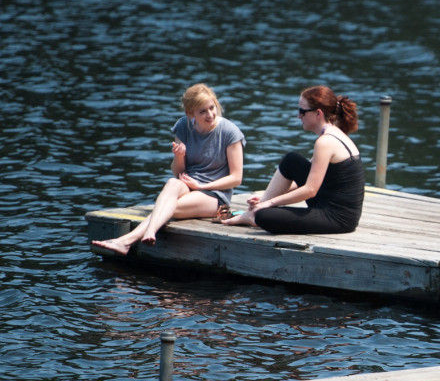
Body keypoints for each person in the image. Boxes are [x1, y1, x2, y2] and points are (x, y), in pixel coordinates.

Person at [91, 83, 245, 255]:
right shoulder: (183, 126)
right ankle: (139, 236)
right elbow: (178, 173)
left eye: (212, 108)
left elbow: (236, 178)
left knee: (169, 207)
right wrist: (179, 156)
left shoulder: (230, 131)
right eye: (202, 111)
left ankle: (128, 240)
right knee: (172, 182)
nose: (210, 114)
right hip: (187, 184)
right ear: (190, 113)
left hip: (215, 194)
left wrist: (201, 186)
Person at [221, 85, 364, 234]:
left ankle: (254, 215)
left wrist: (270, 203)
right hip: (327, 203)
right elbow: (309, 180)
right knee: (292, 160)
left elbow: (310, 190)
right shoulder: (333, 133)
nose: (298, 116)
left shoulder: (325, 142)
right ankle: (254, 210)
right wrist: (265, 198)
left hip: (337, 218)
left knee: (264, 215)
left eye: (302, 112)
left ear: (318, 113)